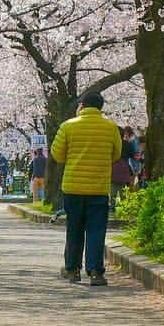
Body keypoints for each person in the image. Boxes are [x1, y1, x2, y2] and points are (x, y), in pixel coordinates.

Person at [50, 91, 122, 286]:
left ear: (81, 105)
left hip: (73, 187)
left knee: (74, 229)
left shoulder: (68, 126)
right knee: (96, 231)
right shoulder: (110, 127)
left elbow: (57, 154)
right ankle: (96, 272)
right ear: (100, 107)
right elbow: (116, 154)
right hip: (98, 188)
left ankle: (72, 269)